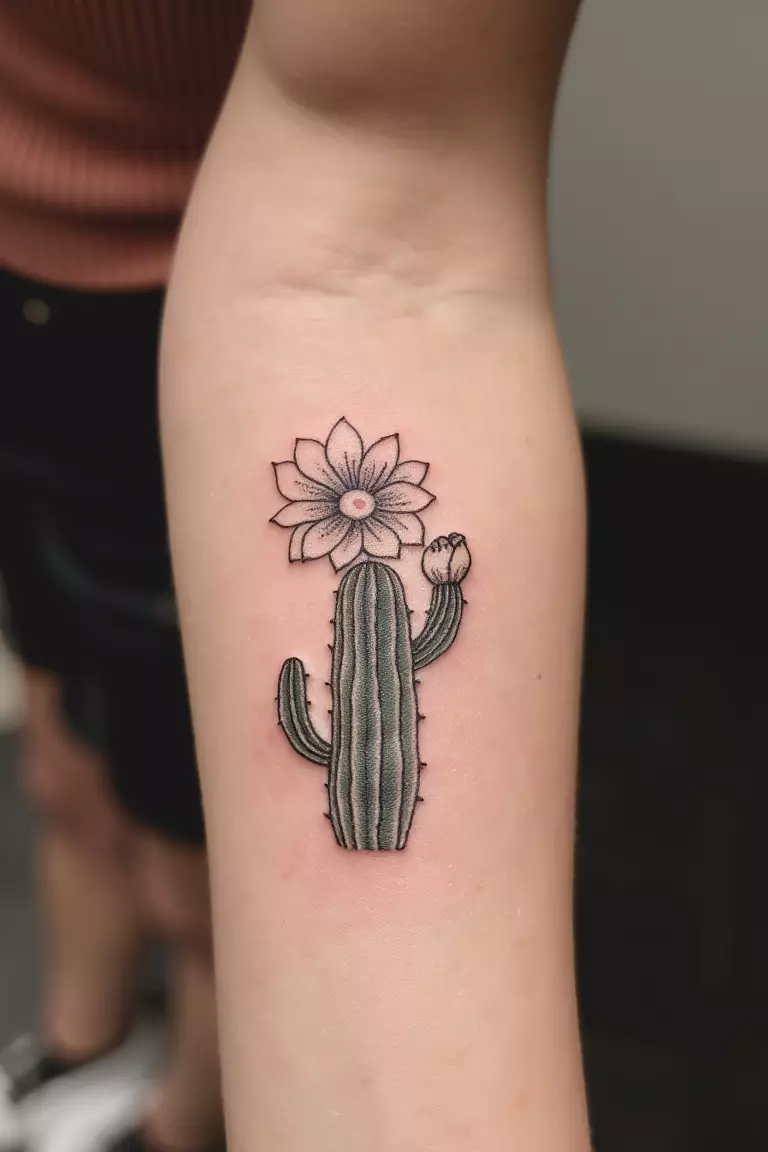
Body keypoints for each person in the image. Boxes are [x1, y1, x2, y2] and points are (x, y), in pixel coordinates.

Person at [161, 0, 591, 1148]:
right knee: (87, 765)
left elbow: (381, 243)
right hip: (38, 288)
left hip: (238, 305)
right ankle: (114, 1049)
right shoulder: (368, 597)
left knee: (159, 801)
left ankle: (169, 1095)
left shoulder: (368, 587)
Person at [0, 4, 249, 1151]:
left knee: (197, 851)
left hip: (185, 305)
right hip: (22, 285)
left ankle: (175, 1128)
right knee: (60, 750)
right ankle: (75, 1055)